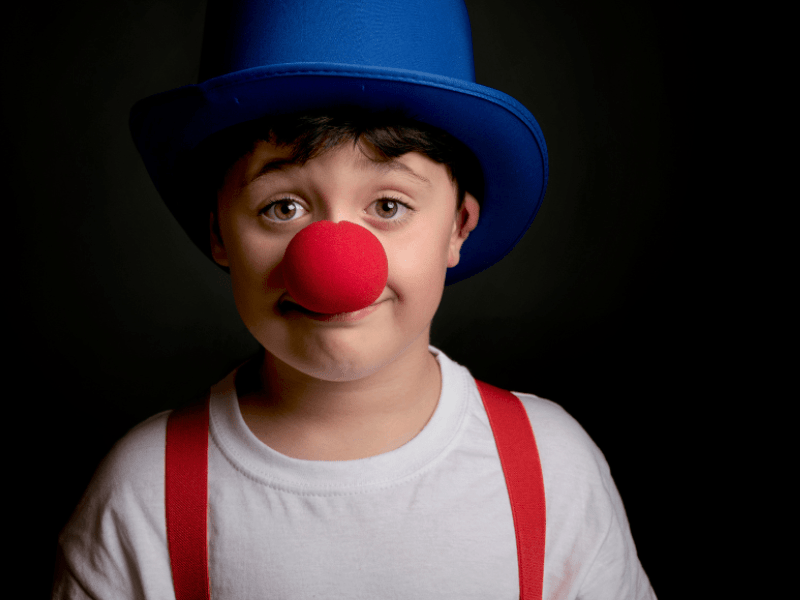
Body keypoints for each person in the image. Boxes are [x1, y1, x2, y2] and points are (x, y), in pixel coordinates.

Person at [52, 0, 656, 598]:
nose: (335, 264)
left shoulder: (553, 468)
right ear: (219, 233)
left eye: (388, 206)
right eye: (282, 207)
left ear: (458, 228)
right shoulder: (142, 492)